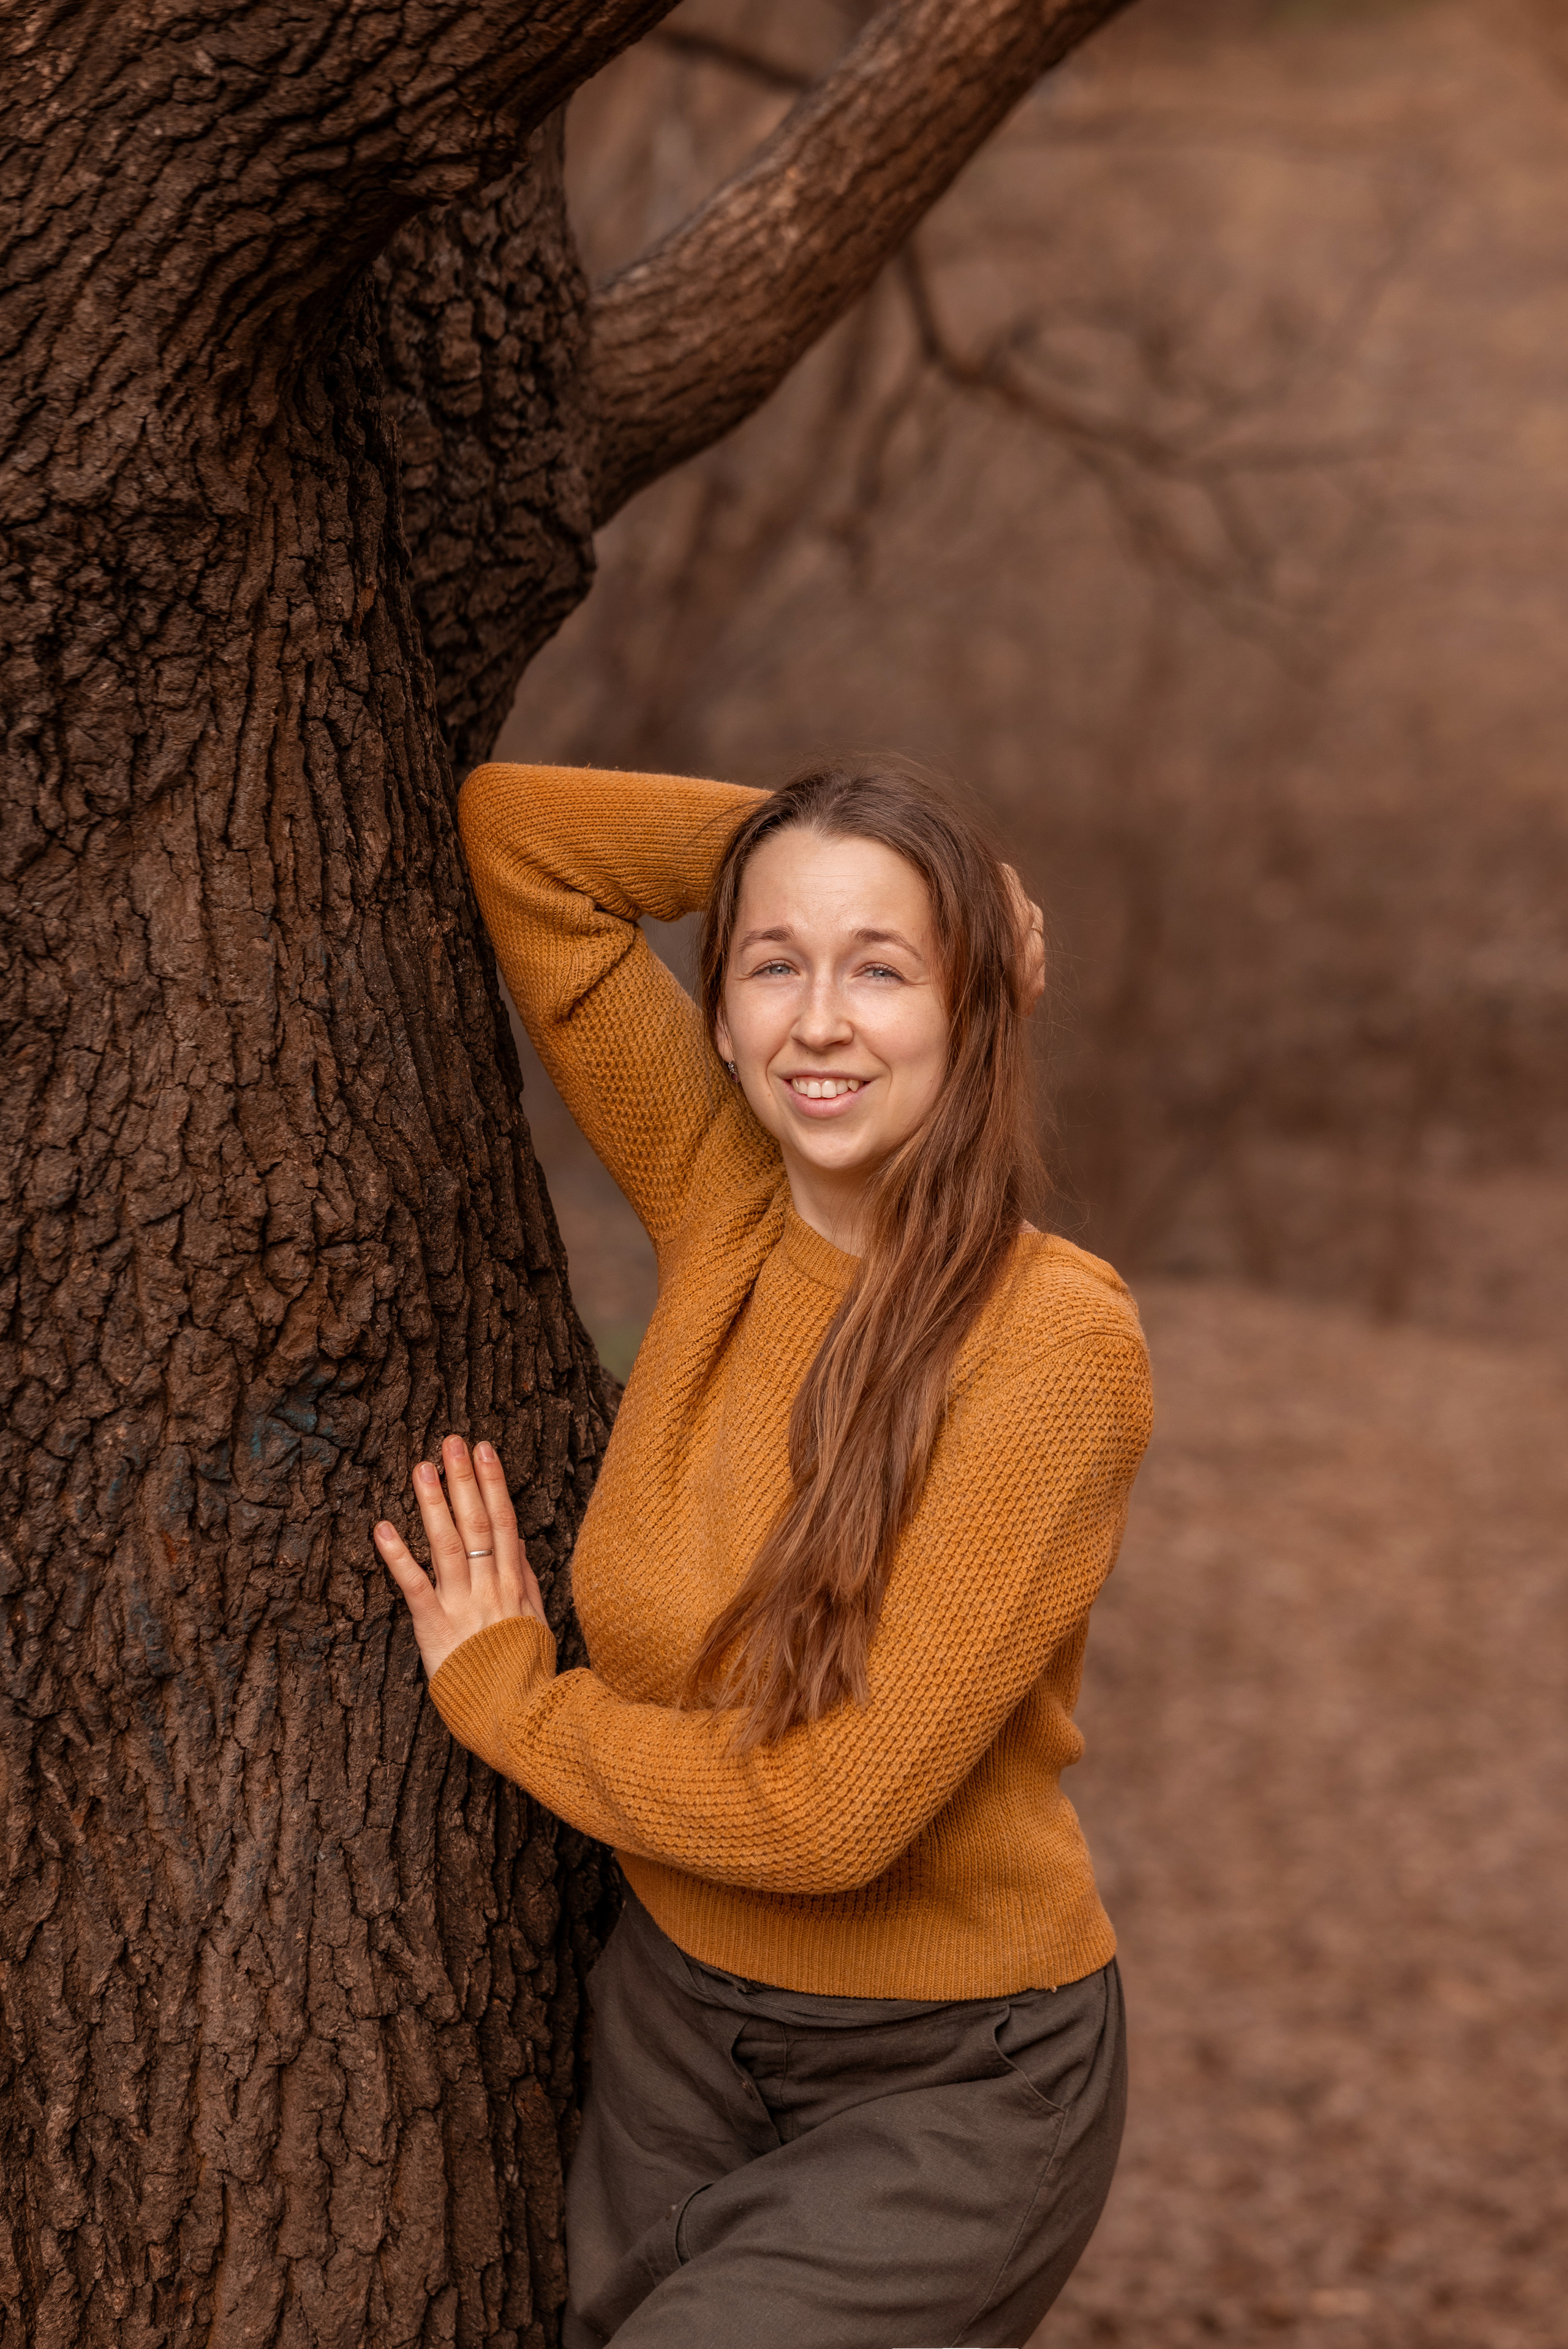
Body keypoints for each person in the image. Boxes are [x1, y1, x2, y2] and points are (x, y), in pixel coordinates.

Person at [374, 757, 1153, 2348]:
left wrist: (518, 1705)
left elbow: (829, 1816)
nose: (820, 1023)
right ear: (720, 1016)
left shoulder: (1056, 1345)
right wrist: (847, 860)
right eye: (774, 965)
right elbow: (526, 838)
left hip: (952, 2080)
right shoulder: (721, 1201)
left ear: (975, 1010)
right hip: (673, 2031)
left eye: (886, 970)